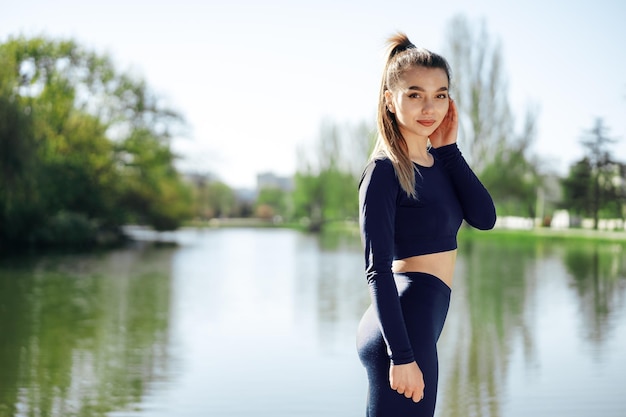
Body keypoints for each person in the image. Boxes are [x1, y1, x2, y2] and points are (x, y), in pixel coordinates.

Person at [356, 32, 496, 417]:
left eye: (441, 94)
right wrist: (401, 356)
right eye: (414, 94)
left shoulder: (441, 163)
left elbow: (485, 219)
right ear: (390, 100)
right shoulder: (384, 172)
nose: (429, 106)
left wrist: (450, 151)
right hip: (404, 325)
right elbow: (377, 270)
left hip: (421, 319)